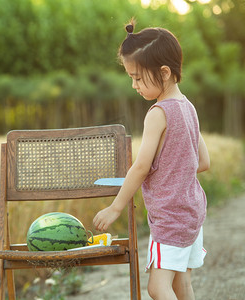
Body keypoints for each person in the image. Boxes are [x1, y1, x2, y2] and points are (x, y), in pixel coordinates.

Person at [93, 19, 210, 300]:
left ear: (164, 72)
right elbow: (203, 162)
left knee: (157, 288)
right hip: (191, 213)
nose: (133, 85)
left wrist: (115, 207)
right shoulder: (188, 108)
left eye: (137, 77)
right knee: (182, 286)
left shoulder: (158, 113)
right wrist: (174, 168)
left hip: (169, 219)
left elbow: (141, 167)